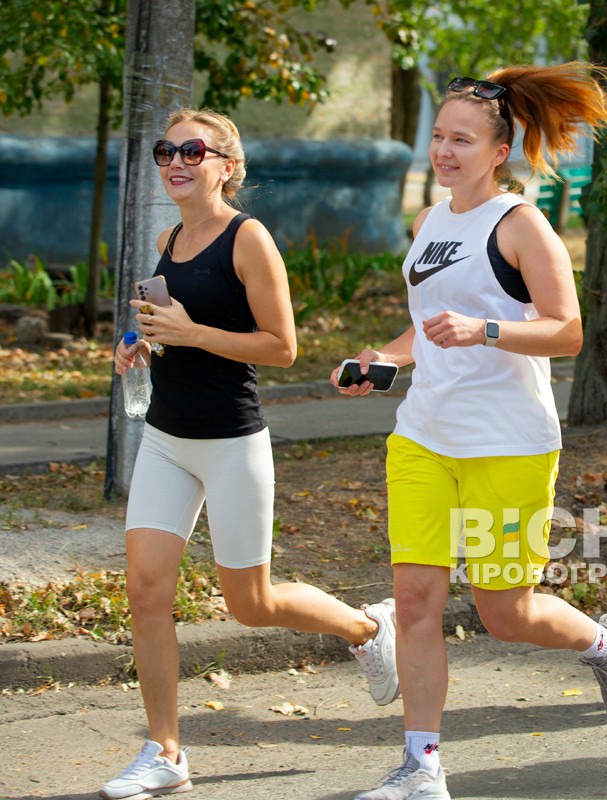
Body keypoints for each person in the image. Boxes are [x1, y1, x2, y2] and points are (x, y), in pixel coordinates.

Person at [332, 63, 607, 800]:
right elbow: (426, 321)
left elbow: (567, 332)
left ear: (499, 151)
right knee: (414, 603)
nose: (444, 150)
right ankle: (422, 765)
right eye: (438, 136)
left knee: (505, 613)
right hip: (423, 436)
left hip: (509, 440)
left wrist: (486, 329)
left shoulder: (520, 222)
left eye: (461, 140)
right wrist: (385, 359)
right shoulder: (428, 220)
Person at [105, 108, 398, 799]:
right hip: (168, 440)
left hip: (232, 441)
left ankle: (366, 628)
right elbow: (173, 331)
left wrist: (195, 332)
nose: (176, 161)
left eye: (193, 151)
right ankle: (166, 751)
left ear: (226, 167)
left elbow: (282, 346)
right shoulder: (167, 237)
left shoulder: (249, 238)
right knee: (147, 592)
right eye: (166, 150)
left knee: (251, 602)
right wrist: (142, 342)